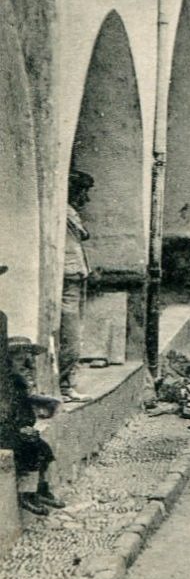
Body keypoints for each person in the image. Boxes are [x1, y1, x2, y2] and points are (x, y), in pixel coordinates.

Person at [5, 341, 65, 515]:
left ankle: (42, 488)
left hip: (20, 428)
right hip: (6, 431)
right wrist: (17, 429)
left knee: (44, 450)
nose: (27, 365)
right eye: (19, 359)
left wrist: (42, 401)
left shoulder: (18, 382)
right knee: (29, 449)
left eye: (28, 359)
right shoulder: (4, 385)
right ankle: (26, 493)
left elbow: (24, 400)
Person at [58, 170, 96, 402]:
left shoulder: (68, 212)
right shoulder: (67, 213)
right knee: (71, 337)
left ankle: (66, 383)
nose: (87, 199)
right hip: (68, 278)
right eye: (84, 193)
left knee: (73, 334)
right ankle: (64, 385)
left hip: (75, 277)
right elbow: (84, 235)